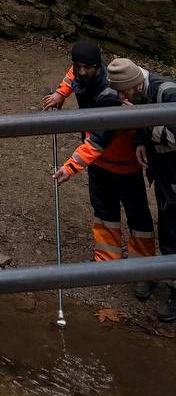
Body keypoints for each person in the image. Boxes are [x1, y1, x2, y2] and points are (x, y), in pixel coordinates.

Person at [49, 41, 156, 293]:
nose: (81, 71)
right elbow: (70, 76)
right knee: (103, 211)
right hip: (99, 163)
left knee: (137, 215)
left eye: (87, 67)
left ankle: (144, 270)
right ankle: (107, 262)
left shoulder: (111, 94)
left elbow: (99, 139)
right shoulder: (80, 73)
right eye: (78, 66)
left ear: (98, 67)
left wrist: (71, 167)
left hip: (124, 163)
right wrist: (60, 94)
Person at [107, 57, 176, 323]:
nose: (120, 96)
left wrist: (142, 123)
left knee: (172, 231)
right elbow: (147, 123)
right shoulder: (139, 92)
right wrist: (140, 140)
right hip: (165, 173)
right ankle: (161, 273)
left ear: (136, 83)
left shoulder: (167, 93)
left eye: (122, 91)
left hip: (173, 174)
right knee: (167, 226)